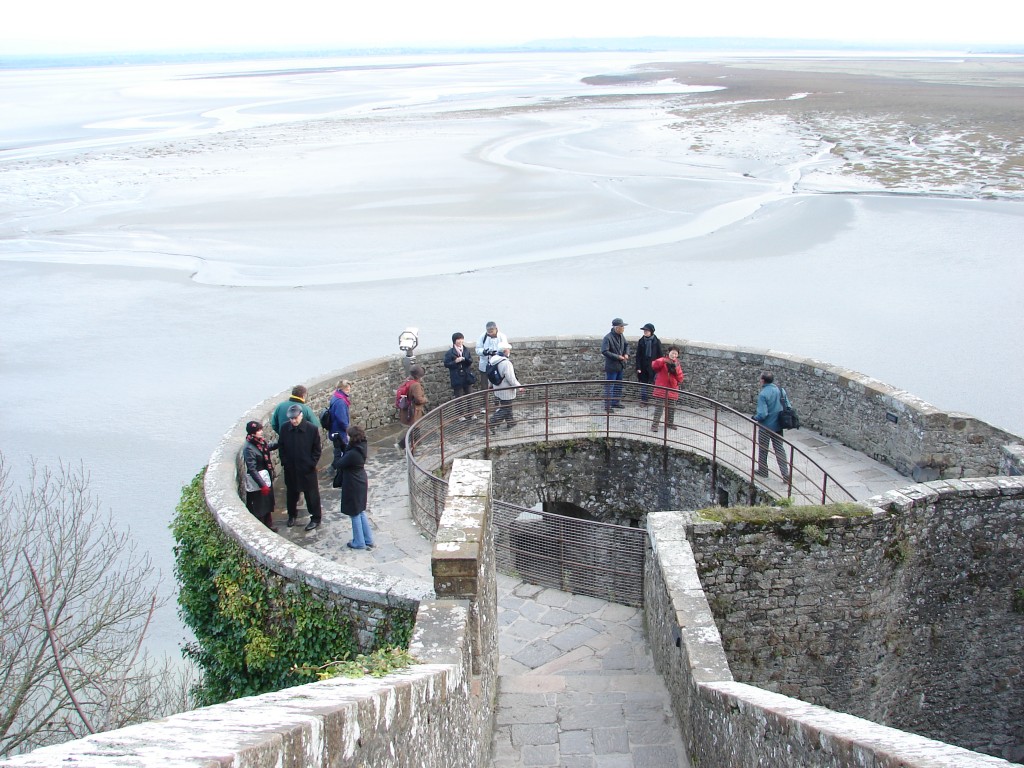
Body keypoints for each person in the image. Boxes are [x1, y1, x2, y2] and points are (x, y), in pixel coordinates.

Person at [277, 404, 323, 531]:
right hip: (291, 469)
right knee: (291, 494)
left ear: (301, 415)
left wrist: (311, 464)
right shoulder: (285, 428)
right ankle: (292, 515)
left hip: (307, 470)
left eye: (295, 418)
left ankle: (316, 518)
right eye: (291, 419)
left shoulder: (312, 429)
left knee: (312, 495)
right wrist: (285, 462)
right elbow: (281, 447)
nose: (293, 421)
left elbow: (317, 450)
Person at [332, 425, 374, 550]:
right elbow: (349, 452)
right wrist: (341, 444)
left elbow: (338, 464)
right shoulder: (361, 446)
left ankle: (359, 542)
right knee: (360, 511)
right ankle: (368, 539)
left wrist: (336, 450)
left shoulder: (354, 454)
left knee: (354, 513)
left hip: (353, 484)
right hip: (360, 481)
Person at [753, 371, 791, 480]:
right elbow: (788, 406)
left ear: (763, 380)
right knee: (779, 449)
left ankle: (763, 470)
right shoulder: (781, 390)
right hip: (778, 425)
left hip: (766, 427)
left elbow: (763, 414)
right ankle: (785, 474)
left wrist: (755, 418)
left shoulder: (763, 394)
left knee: (763, 449)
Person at [242, 420, 278, 532]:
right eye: (258, 430)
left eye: (260, 429)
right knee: (260, 506)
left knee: (267, 503)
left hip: (264, 478)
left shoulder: (260, 442)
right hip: (258, 482)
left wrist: (280, 443)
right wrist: (262, 485)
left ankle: (269, 524)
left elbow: (267, 447)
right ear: (252, 433)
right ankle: (263, 529)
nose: (261, 432)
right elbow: (252, 469)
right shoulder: (248, 448)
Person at [488, 342, 522, 432]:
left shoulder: (493, 359)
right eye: (508, 350)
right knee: (506, 408)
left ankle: (510, 422)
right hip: (506, 389)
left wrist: (490, 386)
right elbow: (511, 378)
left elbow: (490, 374)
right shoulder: (506, 363)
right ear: (505, 351)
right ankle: (492, 422)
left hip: (497, 387)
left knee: (507, 405)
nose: (509, 351)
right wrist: (519, 387)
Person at [650, 347, 685, 432]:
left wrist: (675, 370)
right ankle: (654, 425)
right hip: (661, 388)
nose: (674, 355)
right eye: (672, 353)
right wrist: (664, 361)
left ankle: (669, 423)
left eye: (676, 354)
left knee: (671, 408)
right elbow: (654, 365)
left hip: (672, 389)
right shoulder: (663, 360)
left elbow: (680, 378)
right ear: (668, 353)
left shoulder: (677, 363)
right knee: (659, 408)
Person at [601, 318, 630, 410]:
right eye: (622, 326)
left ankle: (616, 402)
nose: (623, 328)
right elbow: (604, 351)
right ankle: (608, 405)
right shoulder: (607, 337)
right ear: (616, 327)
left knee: (618, 385)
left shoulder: (621, 336)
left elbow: (627, 345)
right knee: (610, 386)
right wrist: (617, 357)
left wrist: (626, 353)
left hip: (620, 366)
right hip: (612, 367)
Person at [397, 365, 428, 450]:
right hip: (414, 411)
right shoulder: (416, 385)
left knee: (416, 427)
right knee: (414, 429)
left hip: (408, 410)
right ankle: (401, 445)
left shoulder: (407, 380)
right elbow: (419, 399)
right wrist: (425, 399)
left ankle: (418, 443)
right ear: (418, 376)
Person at [475, 321, 508, 392]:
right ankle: (485, 401)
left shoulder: (502, 337)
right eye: (488, 332)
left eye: (492, 331)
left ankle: (496, 401)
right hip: (485, 365)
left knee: (497, 383)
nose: (490, 333)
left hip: (497, 365)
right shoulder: (483, 337)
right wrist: (484, 352)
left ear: (496, 329)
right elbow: (478, 349)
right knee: (484, 386)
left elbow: (506, 351)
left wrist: (498, 353)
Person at [635, 323, 663, 403]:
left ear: (651, 331)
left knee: (655, 383)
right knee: (643, 384)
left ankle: (657, 400)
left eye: (647, 330)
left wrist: (659, 367)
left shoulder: (656, 341)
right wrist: (638, 367)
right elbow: (638, 355)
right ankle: (644, 400)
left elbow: (660, 355)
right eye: (644, 330)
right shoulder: (641, 341)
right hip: (643, 366)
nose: (645, 332)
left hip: (653, 366)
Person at [443, 332, 476, 399]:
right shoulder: (450, 353)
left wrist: (464, 359)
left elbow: (470, 361)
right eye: (458, 339)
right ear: (454, 341)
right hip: (457, 377)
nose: (460, 341)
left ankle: (471, 409)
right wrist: (455, 362)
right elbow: (446, 364)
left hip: (467, 376)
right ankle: (460, 410)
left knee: (470, 396)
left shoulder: (466, 350)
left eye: (461, 339)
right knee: (459, 398)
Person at [327, 380, 352, 464]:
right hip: (339, 432)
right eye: (347, 390)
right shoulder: (341, 402)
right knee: (342, 451)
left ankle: (335, 467)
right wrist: (348, 431)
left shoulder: (335, 397)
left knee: (338, 451)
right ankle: (337, 468)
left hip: (334, 430)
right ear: (341, 389)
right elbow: (342, 419)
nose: (349, 391)